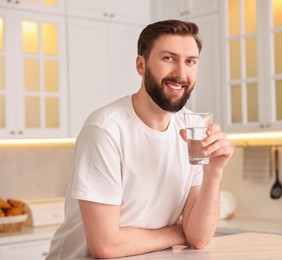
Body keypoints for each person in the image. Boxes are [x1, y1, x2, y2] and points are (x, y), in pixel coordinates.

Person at [46, 19, 234, 259]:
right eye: (168, 58)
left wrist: (214, 172)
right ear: (140, 65)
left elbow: (197, 237)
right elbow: (105, 246)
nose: (181, 73)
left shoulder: (191, 128)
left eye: (190, 61)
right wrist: (179, 232)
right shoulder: (106, 129)